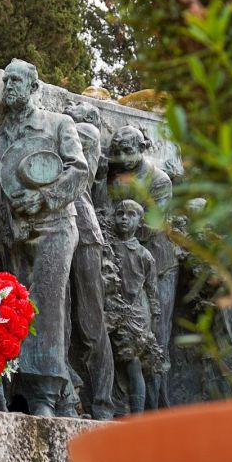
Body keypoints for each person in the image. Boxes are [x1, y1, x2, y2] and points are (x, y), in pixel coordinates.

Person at [0, 59, 88, 416]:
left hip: (53, 226)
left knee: (47, 307)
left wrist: (46, 197)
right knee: (11, 309)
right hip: (9, 232)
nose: (11, 86)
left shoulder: (57, 123)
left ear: (34, 87)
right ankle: (22, 389)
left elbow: (80, 170)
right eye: (7, 81)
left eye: (18, 81)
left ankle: (45, 395)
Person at [105, 125, 176, 408]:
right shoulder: (115, 178)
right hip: (123, 264)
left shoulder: (159, 180)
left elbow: (148, 226)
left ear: (142, 148)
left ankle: (159, 405)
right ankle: (130, 403)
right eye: (117, 152)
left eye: (128, 151)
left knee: (157, 338)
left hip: (157, 264)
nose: (122, 158)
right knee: (127, 345)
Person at [62, 110, 117, 420]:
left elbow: (84, 174)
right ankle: (72, 397)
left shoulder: (83, 132)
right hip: (56, 227)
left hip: (84, 231)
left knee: (91, 321)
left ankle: (105, 404)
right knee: (65, 318)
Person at [110, 199, 165, 413]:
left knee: (133, 364)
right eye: (120, 213)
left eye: (131, 215)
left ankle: (137, 414)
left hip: (136, 314)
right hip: (111, 309)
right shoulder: (108, 248)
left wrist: (154, 318)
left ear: (139, 222)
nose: (124, 218)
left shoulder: (144, 255)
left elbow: (152, 291)